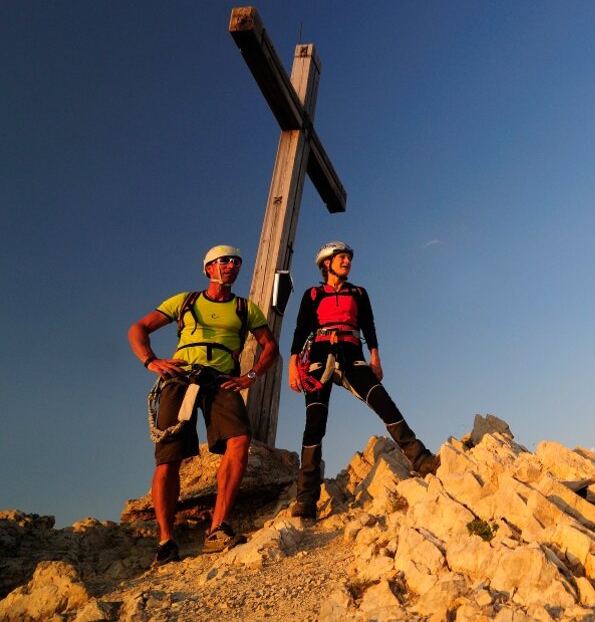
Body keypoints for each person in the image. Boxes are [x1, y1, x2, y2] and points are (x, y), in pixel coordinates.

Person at [128, 245, 279, 566]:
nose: (231, 266)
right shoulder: (185, 301)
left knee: (239, 440)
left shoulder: (245, 308)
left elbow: (270, 347)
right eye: (223, 261)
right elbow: (138, 328)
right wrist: (150, 361)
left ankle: (217, 529)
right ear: (208, 268)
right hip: (181, 376)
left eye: (236, 262)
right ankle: (167, 541)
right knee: (168, 457)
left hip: (222, 379)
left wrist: (251, 375)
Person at [287, 241, 438, 519]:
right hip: (319, 356)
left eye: (348, 258)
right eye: (341, 258)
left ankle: (421, 459)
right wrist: (293, 366)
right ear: (326, 264)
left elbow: (369, 324)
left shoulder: (359, 293)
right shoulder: (312, 294)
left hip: (352, 354)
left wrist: (375, 357)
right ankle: (306, 498)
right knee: (315, 424)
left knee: (383, 402)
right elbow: (300, 331)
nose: (347, 262)